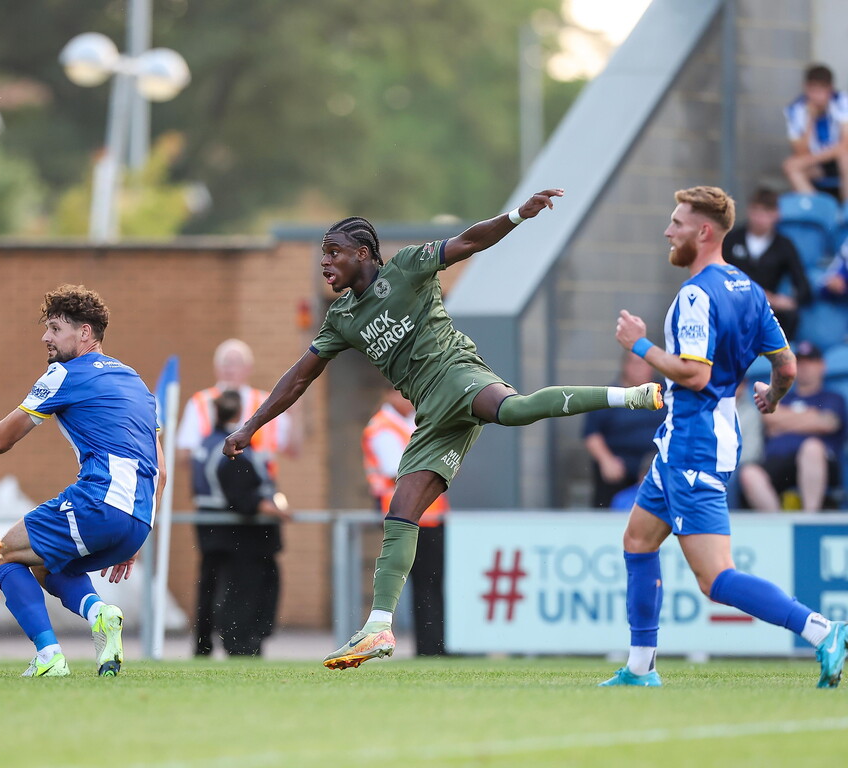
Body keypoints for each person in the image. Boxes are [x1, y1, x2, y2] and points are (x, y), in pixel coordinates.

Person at [222, 188, 665, 670]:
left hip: (457, 372)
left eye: (334, 253)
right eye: (323, 254)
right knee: (401, 512)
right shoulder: (342, 319)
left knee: (514, 411)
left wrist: (518, 214)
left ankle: (630, 396)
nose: (325, 263)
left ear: (363, 254)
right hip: (431, 414)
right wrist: (251, 426)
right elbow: (298, 378)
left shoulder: (408, 267)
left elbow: (470, 241)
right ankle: (378, 628)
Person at [603, 186, 847, 689]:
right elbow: (787, 364)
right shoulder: (749, 289)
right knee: (637, 541)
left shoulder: (697, 294)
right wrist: (773, 398)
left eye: (677, 223)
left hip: (695, 443)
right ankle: (640, 668)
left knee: (716, 579)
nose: (669, 232)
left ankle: (822, 630)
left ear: (704, 231)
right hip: (687, 441)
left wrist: (640, 344)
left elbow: (693, 374)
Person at [0, 284, 165, 678]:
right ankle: (100, 613)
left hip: (99, 501)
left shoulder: (64, 374)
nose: (45, 338)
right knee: (48, 564)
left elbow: (2, 437)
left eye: (56, 329)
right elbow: (160, 468)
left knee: (0, 555)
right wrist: (137, 532)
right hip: (138, 519)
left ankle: (49, 656)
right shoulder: (137, 383)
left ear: (85, 334)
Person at [190, 389, 289, 657]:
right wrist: (276, 510)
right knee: (243, 593)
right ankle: (241, 645)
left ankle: (203, 646)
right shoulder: (234, 447)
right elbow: (244, 493)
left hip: (211, 528)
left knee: (210, 589)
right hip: (242, 535)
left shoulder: (205, 443)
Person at [363, 386, 448, 656]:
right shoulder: (382, 427)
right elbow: (398, 469)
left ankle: (436, 645)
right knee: (423, 584)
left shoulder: (411, 422)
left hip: (429, 514)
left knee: (432, 582)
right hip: (406, 516)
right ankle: (429, 648)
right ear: (389, 394)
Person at [738, 340, 846, 512]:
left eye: (810, 362)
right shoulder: (783, 396)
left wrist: (783, 420)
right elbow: (768, 418)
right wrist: (811, 417)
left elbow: (828, 423)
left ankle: (809, 517)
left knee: (812, 448)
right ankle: (778, 525)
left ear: (822, 366)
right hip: (778, 462)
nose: (804, 367)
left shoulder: (832, 397)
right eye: (800, 363)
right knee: (749, 473)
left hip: (819, 463)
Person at [177, 338, 295, 480]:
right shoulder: (201, 403)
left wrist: (297, 412)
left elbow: (292, 448)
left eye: (236, 363)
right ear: (216, 368)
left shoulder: (267, 403)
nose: (230, 369)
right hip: (216, 488)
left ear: (249, 368)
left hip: (258, 489)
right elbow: (184, 454)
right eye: (225, 363)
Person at [722, 186, 812, 339]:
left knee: (788, 317)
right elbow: (718, 274)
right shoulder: (732, 239)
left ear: (776, 215)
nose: (760, 218)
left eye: (766, 213)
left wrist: (784, 301)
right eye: (756, 211)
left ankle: (780, 356)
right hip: (733, 304)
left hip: (767, 309)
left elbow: (804, 287)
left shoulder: (784, 245)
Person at [583, 352, 665, 508]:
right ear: (625, 366)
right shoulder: (611, 395)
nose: (639, 369)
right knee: (608, 476)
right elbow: (591, 433)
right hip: (621, 466)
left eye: (643, 363)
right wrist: (606, 460)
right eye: (635, 363)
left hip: (658, 464)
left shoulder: (665, 394)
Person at [783, 64, 848, 200]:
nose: (816, 96)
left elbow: (845, 145)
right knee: (791, 166)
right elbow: (800, 151)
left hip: (838, 160)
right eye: (812, 90)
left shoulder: (842, 101)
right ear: (805, 87)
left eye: (820, 91)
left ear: (830, 89)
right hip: (817, 164)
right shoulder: (796, 110)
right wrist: (810, 120)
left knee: (845, 157)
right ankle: (820, 209)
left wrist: (817, 157)